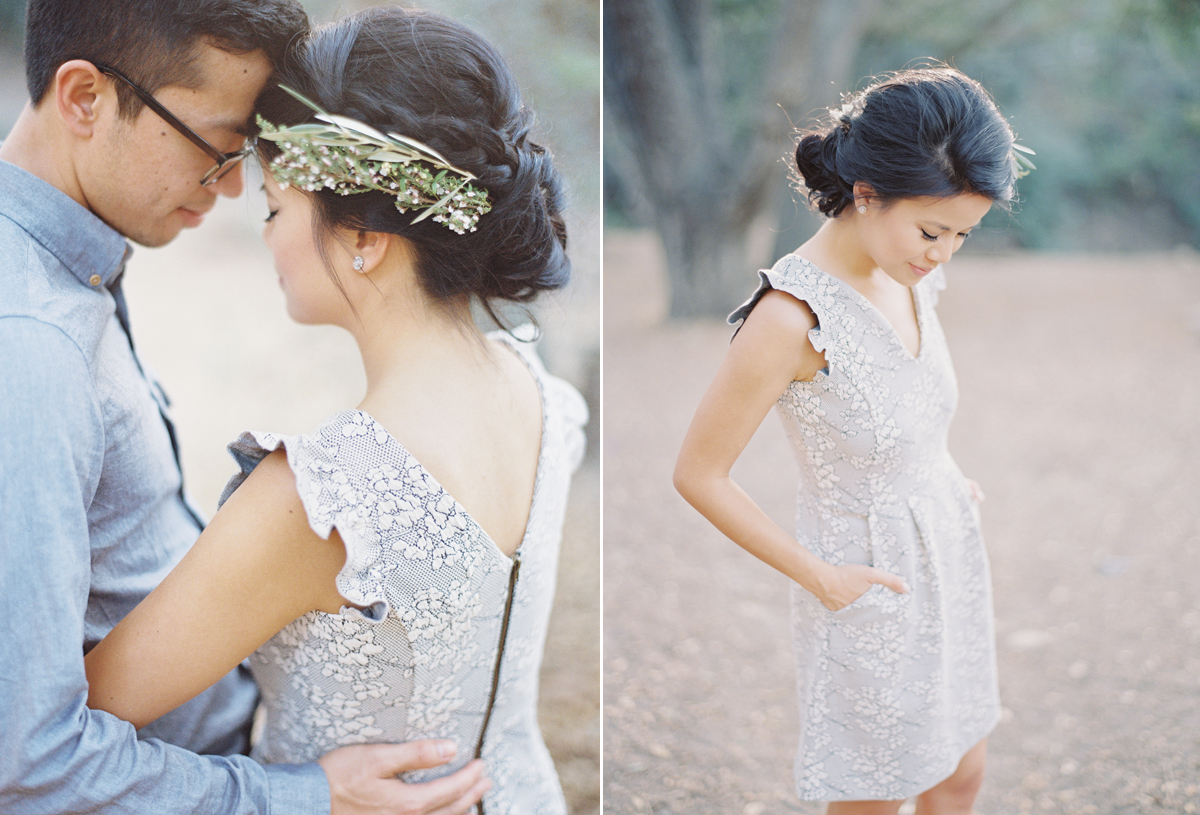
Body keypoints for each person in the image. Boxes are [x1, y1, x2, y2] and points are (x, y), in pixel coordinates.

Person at [82, 7, 588, 815]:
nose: (267, 233)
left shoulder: (321, 501)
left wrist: (297, 793)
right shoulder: (546, 404)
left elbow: (66, 736)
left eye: (277, 207)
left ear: (363, 234)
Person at [0, 1, 488, 813]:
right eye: (214, 149)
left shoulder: (68, 268)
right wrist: (300, 796)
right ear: (84, 98)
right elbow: (27, 759)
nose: (231, 189)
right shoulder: (30, 346)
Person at [674, 66, 1027, 814]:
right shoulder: (789, 318)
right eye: (933, 231)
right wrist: (819, 576)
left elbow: (914, 402)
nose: (943, 254)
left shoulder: (909, 272)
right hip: (865, 580)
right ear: (866, 194)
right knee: (876, 795)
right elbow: (698, 473)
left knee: (961, 772)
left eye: (963, 235)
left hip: (948, 553)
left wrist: (940, 471)